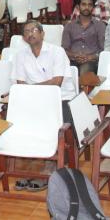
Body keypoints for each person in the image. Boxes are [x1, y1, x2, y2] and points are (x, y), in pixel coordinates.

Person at [12, 20, 73, 192]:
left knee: (54, 124)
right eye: (26, 32)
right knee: (19, 123)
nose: (30, 34)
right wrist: (31, 93)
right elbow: (20, 83)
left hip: (61, 99)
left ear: (42, 33)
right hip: (34, 99)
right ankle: (31, 166)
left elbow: (57, 82)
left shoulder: (57, 52)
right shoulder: (20, 55)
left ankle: (49, 168)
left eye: (34, 30)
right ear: (24, 38)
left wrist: (31, 90)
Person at [62, 0, 106, 75]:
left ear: (93, 8)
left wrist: (91, 57)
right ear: (78, 7)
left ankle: (83, 88)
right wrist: (75, 55)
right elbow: (64, 49)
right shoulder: (69, 26)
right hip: (71, 60)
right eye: (84, 4)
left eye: (90, 5)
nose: (87, 7)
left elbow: (103, 49)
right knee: (64, 72)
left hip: (91, 61)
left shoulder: (100, 25)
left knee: (85, 71)